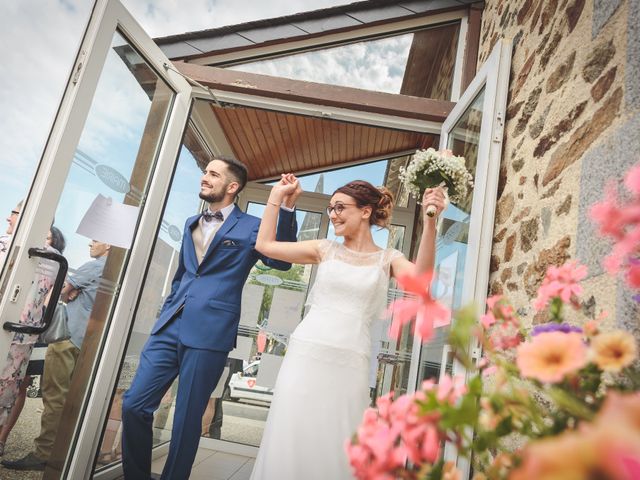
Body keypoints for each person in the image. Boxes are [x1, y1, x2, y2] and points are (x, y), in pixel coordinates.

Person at [251, 175, 446, 479]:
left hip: (350, 361)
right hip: (304, 356)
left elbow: (421, 282)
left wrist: (430, 223)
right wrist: (276, 197)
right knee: (290, 432)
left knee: (339, 439)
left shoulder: (388, 259)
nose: (333, 215)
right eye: (330, 209)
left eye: (340, 207)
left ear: (365, 211)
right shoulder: (323, 249)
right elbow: (265, 245)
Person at [120, 157, 299, 480]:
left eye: (213, 174)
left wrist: (286, 209)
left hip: (211, 331)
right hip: (170, 325)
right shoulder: (191, 222)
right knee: (134, 404)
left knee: (187, 419)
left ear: (233, 187)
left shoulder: (251, 227)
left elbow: (282, 262)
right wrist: (168, 308)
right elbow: (183, 275)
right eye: (205, 172)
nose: (204, 178)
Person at [3, 239, 110, 471]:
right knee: (71, 399)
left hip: (66, 339)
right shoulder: (112, 271)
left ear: (109, 245)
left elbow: (61, 290)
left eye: (97, 240)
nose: (91, 242)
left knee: (53, 397)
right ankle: (65, 449)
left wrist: (68, 291)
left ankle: (44, 453)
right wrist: (72, 291)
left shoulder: (95, 266)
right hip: (86, 341)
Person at [0, 226, 66, 456]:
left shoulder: (51, 263)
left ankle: (2, 437)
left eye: (49, 238)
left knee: (20, 386)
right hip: (27, 329)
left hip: (32, 333)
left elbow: (52, 299)